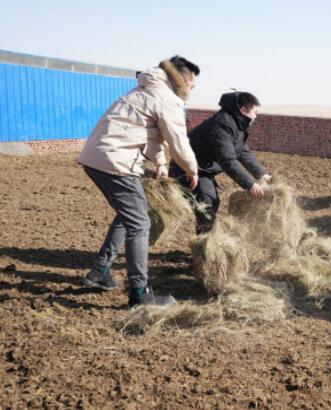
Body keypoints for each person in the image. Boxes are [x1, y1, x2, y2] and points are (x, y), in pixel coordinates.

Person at [78, 56, 200, 307]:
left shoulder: (148, 89)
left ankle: (100, 271)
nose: (193, 87)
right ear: (181, 78)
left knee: (130, 214)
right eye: (192, 82)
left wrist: (161, 165)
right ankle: (139, 294)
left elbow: (150, 134)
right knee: (140, 224)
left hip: (98, 158)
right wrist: (192, 169)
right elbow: (178, 140)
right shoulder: (166, 98)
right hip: (115, 162)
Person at [170, 91, 271, 233]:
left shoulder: (237, 124)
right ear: (243, 110)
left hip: (203, 170)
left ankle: (205, 240)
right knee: (207, 203)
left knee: (210, 203)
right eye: (254, 112)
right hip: (188, 169)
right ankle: (204, 245)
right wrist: (250, 184)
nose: (256, 116)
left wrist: (261, 174)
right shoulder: (222, 125)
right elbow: (227, 160)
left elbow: (242, 151)